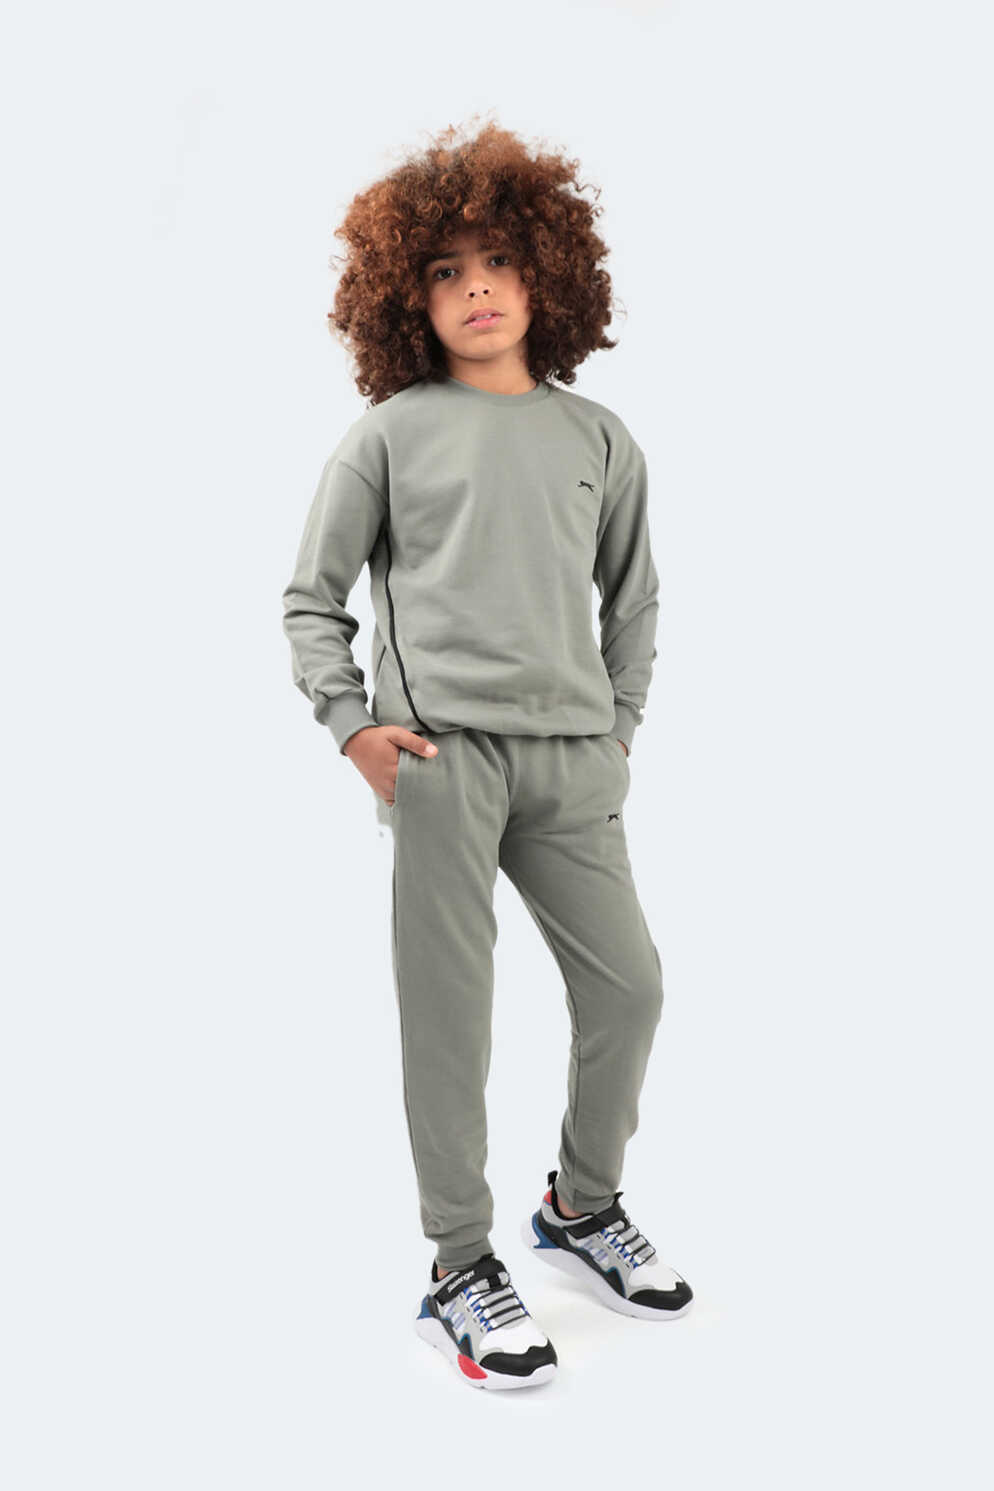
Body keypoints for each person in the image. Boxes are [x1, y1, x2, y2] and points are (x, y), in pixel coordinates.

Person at [281, 120, 693, 1391]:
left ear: (544, 275)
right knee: (450, 1022)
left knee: (628, 991)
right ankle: (459, 1266)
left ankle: (579, 1205)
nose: (474, 287)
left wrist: (617, 730)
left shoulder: (599, 438)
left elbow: (633, 600)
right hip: (442, 762)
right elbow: (311, 598)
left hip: (573, 766)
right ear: (405, 297)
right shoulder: (387, 435)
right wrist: (353, 727)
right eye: (444, 269)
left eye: (498, 261)